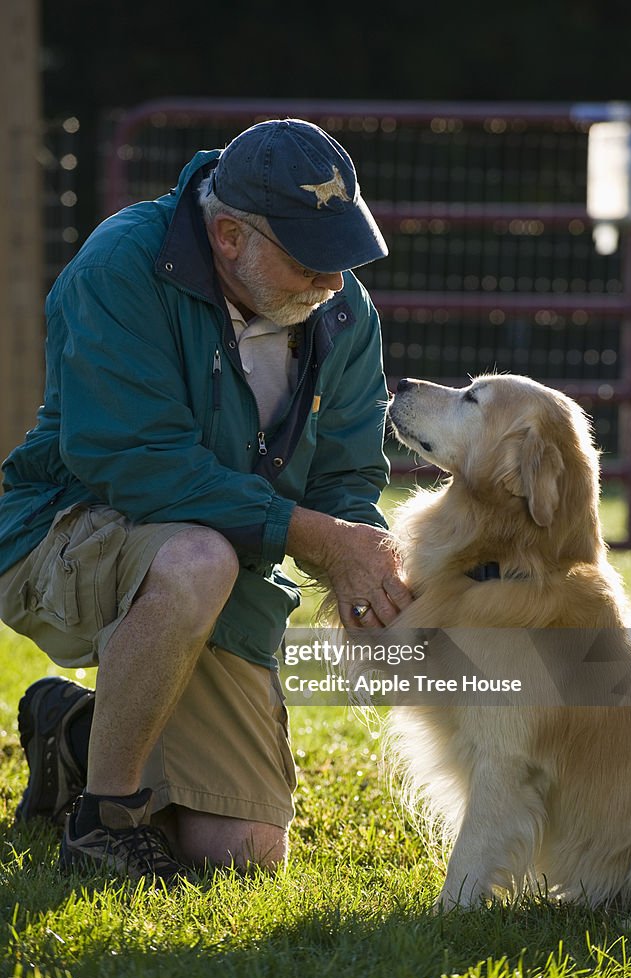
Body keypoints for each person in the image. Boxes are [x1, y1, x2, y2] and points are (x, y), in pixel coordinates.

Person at [0, 118, 412, 884]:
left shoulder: (344, 308)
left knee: (242, 855)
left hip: (230, 571)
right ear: (227, 235)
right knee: (195, 558)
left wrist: (365, 574)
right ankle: (105, 824)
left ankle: (77, 734)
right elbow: (133, 460)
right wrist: (312, 537)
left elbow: (349, 476)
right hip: (60, 529)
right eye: (309, 259)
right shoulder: (120, 266)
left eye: (343, 252)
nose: (333, 282)